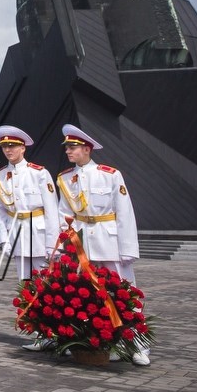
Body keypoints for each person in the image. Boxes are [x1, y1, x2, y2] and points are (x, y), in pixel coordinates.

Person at [57, 123, 149, 366]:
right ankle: (94, 342)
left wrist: (128, 248)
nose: (68, 151)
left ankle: (137, 345)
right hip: (82, 242)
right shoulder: (66, 178)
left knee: (124, 292)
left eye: (73, 147)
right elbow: (63, 213)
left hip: (109, 240)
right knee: (86, 295)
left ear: (87, 149)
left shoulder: (110, 174)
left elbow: (125, 211)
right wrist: (65, 240)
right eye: (67, 147)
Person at [0, 125, 61, 351]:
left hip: (39, 233)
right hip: (17, 234)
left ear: (23, 147)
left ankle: (57, 333)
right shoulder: (0, 175)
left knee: (47, 286)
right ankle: (39, 333)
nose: (8, 150)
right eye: (5, 147)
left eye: (12, 146)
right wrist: (4, 239)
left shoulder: (39, 173)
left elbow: (52, 209)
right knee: (27, 286)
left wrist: (54, 243)